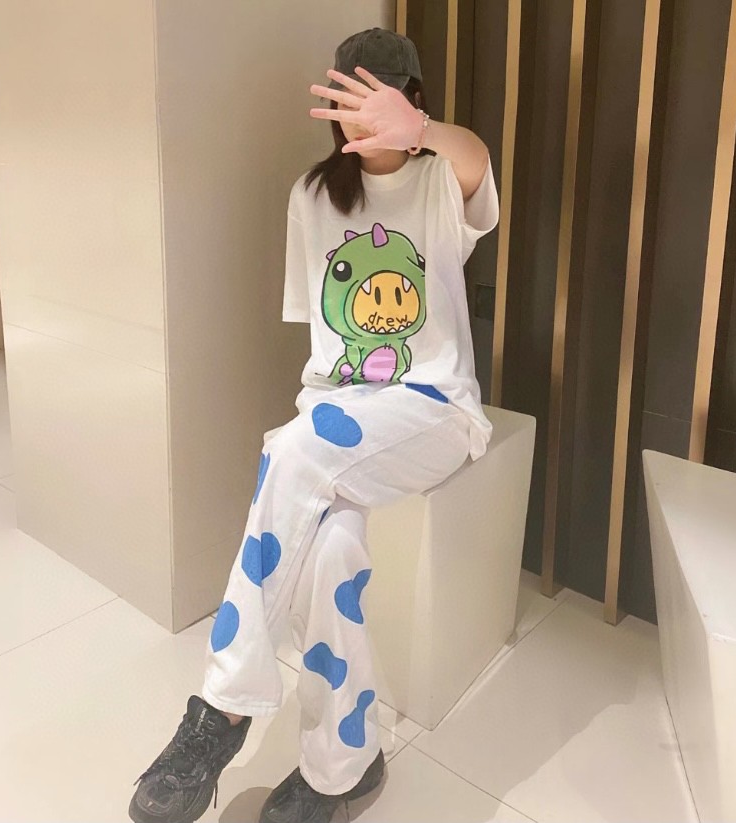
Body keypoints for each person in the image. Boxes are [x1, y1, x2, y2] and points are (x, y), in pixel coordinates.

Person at [128, 26, 499, 823]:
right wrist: (320, 424)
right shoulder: (312, 195)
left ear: (412, 99)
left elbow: (475, 162)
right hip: (344, 416)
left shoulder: (439, 180)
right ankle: (344, 764)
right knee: (331, 549)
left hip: (434, 408)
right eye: (349, 100)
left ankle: (223, 704)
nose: (362, 116)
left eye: (382, 99)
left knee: (293, 451)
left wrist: (423, 132)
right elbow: (327, 345)